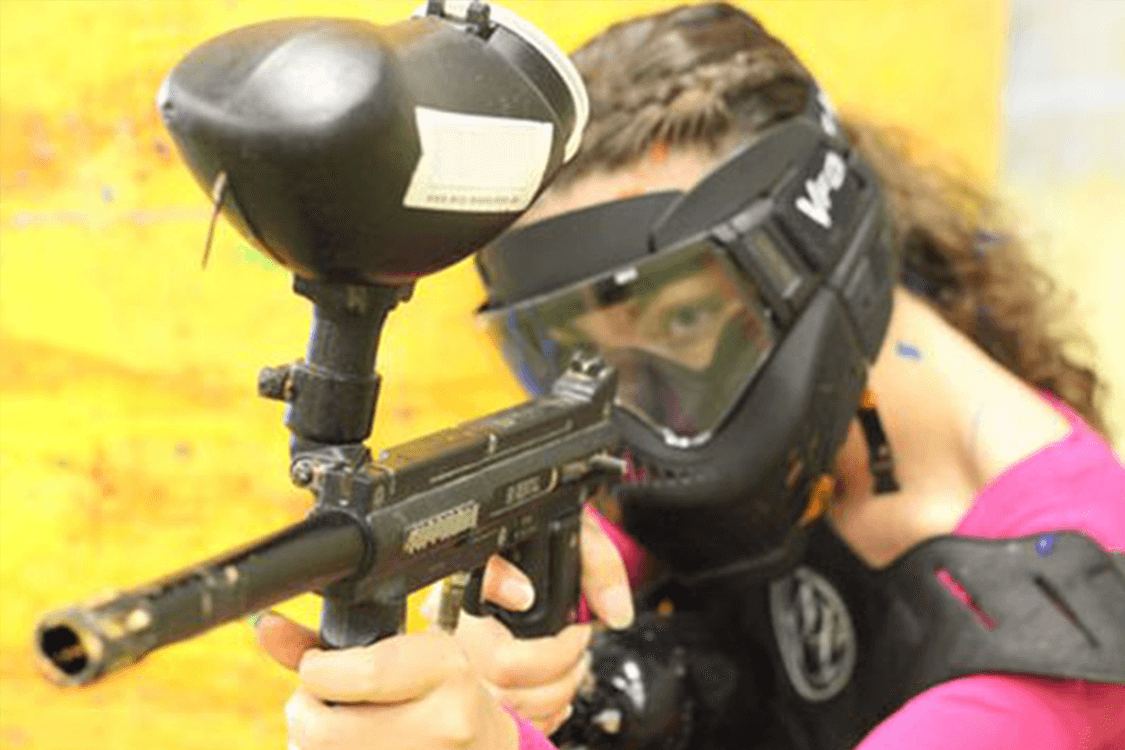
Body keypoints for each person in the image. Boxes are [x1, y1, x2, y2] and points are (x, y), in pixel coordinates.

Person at [254, 4, 1125, 749]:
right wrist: (512, 648)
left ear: (817, 258)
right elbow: (555, 624)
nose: (636, 412)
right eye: (581, 353)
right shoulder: (739, 424)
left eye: (680, 321)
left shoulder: (1067, 611)